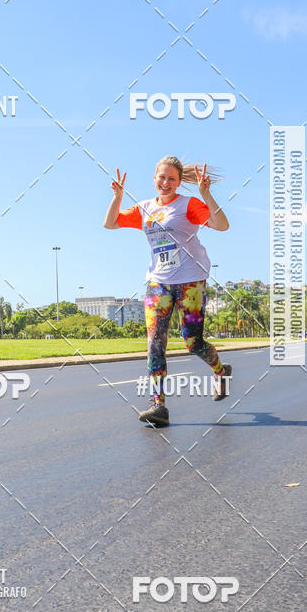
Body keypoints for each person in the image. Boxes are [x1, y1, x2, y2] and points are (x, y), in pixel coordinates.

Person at [103, 155, 232, 427]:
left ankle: (220, 372)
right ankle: (158, 405)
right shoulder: (144, 208)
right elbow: (111, 223)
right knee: (155, 343)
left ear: (178, 182)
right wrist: (118, 196)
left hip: (191, 282)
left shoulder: (189, 205)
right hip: (158, 283)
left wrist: (206, 193)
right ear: (154, 178)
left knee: (192, 343)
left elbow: (222, 225)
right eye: (162, 177)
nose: (166, 183)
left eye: (172, 179)